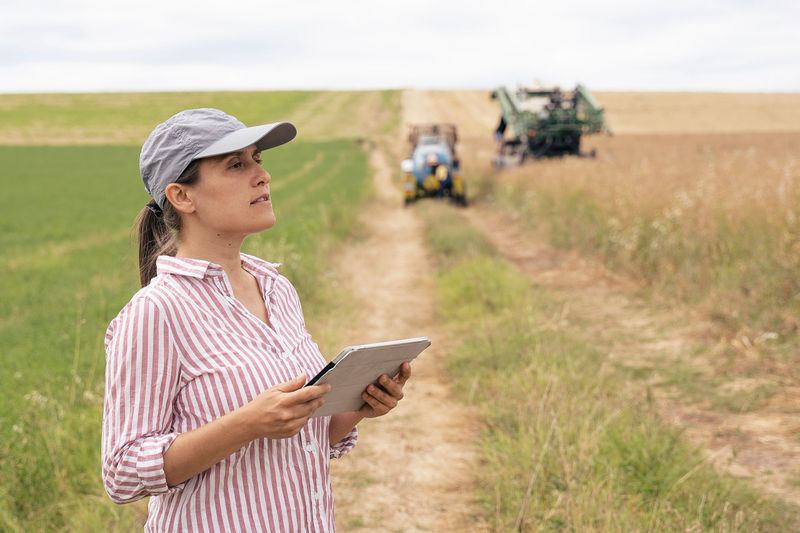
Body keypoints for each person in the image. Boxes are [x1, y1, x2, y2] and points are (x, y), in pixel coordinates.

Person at [101, 108, 412, 532]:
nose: (261, 176)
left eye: (258, 160)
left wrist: (360, 406)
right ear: (182, 196)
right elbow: (122, 473)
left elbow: (304, 438)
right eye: (236, 164)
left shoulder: (276, 289)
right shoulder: (156, 311)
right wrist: (245, 424)